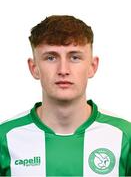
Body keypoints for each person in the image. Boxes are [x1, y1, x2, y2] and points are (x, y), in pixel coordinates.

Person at [0, 15, 131, 177]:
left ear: (92, 66)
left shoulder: (125, 136)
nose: (63, 70)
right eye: (51, 57)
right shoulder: (4, 138)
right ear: (34, 68)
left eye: (75, 57)